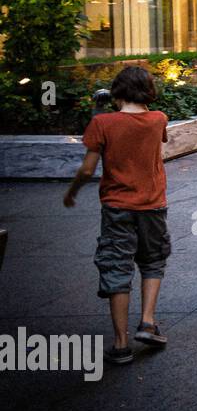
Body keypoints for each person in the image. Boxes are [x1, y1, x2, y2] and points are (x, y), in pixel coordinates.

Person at [64, 66, 172, 365]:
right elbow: (150, 132)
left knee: (116, 266)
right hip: (153, 205)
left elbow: (87, 169)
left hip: (117, 206)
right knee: (153, 260)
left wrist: (71, 192)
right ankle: (148, 322)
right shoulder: (158, 119)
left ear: (116, 91)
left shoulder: (103, 123)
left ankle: (121, 343)